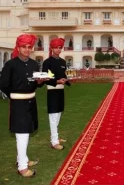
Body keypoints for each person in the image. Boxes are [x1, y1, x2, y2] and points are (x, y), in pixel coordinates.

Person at [0, 34, 45, 177]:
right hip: (18, 103)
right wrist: (15, 94)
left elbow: (36, 82)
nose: (27, 49)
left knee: (28, 131)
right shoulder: (10, 65)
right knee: (22, 134)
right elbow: (3, 85)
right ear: (18, 48)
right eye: (24, 47)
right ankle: (22, 168)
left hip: (31, 102)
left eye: (29, 47)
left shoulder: (33, 64)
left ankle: (22, 159)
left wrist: (39, 82)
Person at [42, 38, 71, 150]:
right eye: (56, 48)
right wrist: (57, 81)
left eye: (60, 48)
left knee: (58, 115)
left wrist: (69, 80)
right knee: (53, 117)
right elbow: (45, 78)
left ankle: (56, 137)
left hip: (61, 91)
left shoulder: (63, 62)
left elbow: (65, 76)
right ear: (52, 48)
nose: (58, 50)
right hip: (52, 91)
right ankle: (54, 142)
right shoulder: (47, 62)